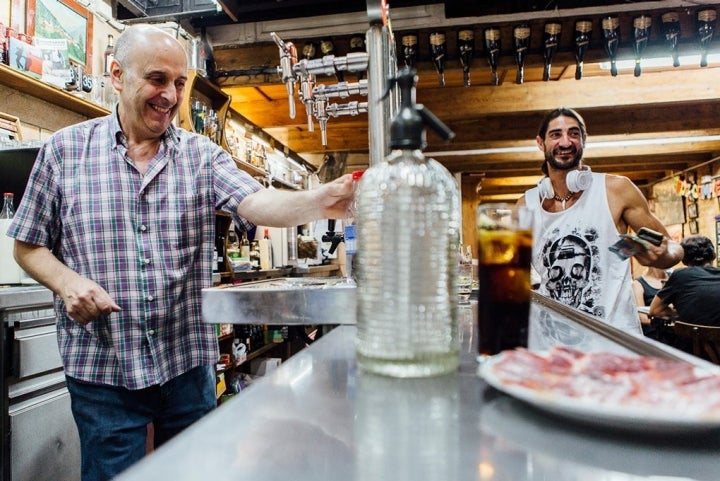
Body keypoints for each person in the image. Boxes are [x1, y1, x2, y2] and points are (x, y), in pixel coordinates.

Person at [6, 25, 353, 481]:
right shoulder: (63, 153)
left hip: (185, 362)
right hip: (103, 364)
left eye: (180, 83)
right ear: (117, 74)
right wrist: (68, 283)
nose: (170, 95)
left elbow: (255, 203)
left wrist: (317, 199)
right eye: (157, 79)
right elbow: (27, 245)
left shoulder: (202, 156)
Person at [518, 107, 683, 334]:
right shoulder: (526, 205)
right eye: (556, 134)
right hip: (554, 339)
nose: (566, 142)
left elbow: (674, 248)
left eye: (574, 134)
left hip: (615, 337)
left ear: (584, 140)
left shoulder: (616, 190)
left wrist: (662, 255)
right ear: (540, 143)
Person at [649, 235, 720, 327]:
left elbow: (654, 310)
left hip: (692, 339)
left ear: (683, 258)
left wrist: (680, 311)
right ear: (713, 255)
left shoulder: (680, 275)